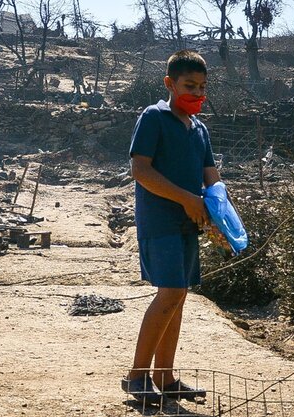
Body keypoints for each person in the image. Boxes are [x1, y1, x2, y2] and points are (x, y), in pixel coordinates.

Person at [121, 49, 219, 404]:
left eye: (202, 87)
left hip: (189, 224)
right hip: (159, 222)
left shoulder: (200, 130)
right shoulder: (154, 117)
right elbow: (141, 171)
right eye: (189, 86)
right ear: (169, 83)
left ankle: (165, 377)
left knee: (178, 298)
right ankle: (136, 377)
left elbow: (213, 182)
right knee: (171, 293)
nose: (196, 93)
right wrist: (187, 199)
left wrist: (221, 219)